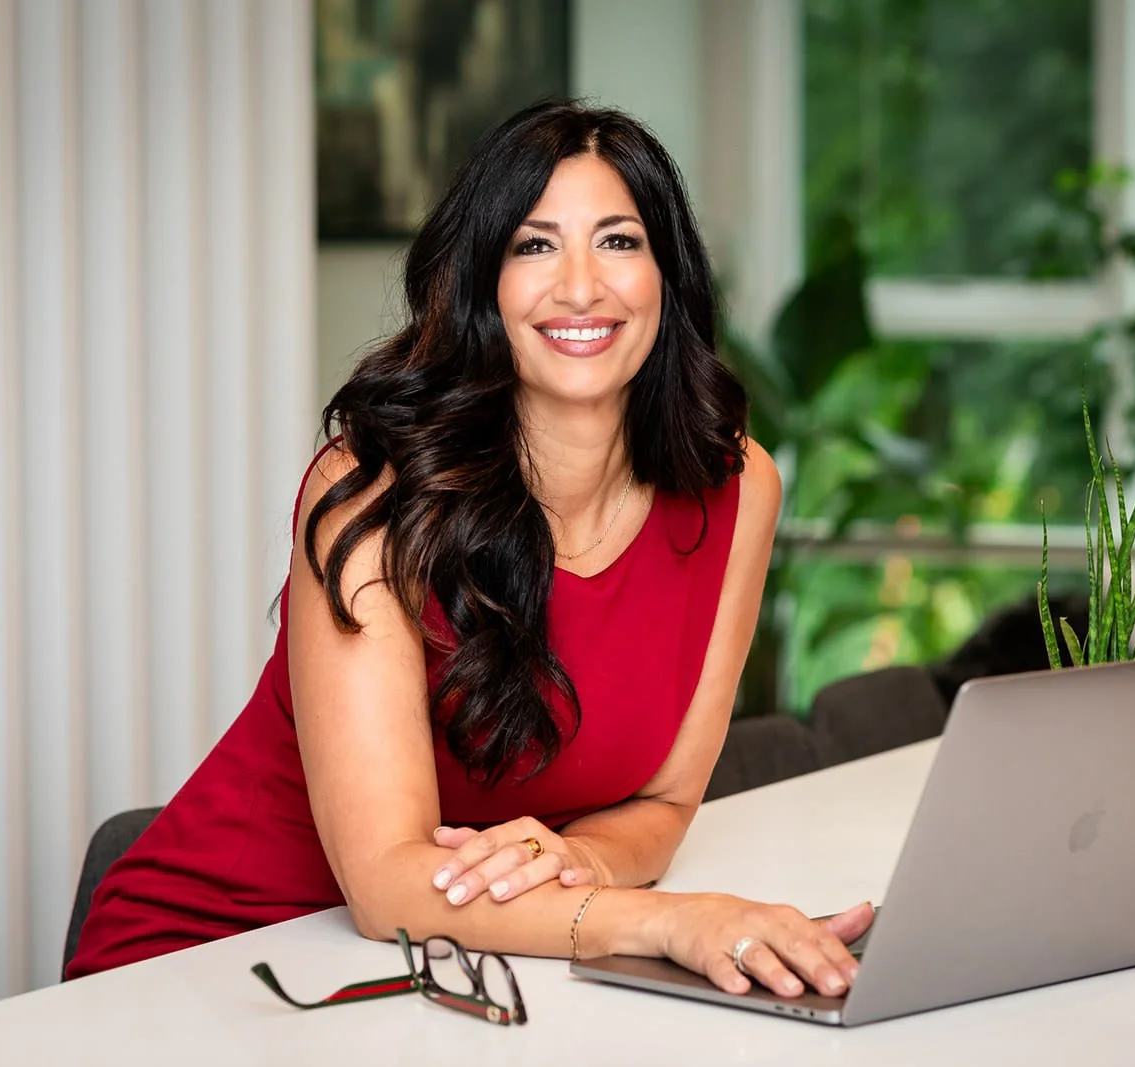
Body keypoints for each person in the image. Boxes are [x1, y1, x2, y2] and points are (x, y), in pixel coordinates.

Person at [66, 100, 871, 1001]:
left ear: (668, 276)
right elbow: (387, 887)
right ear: (481, 281)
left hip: (465, 968)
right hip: (225, 960)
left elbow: (666, 803)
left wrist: (574, 856)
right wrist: (667, 920)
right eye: (533, 246)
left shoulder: (736, 485)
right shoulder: (373, 497)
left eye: (618, 241)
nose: (580, 286)